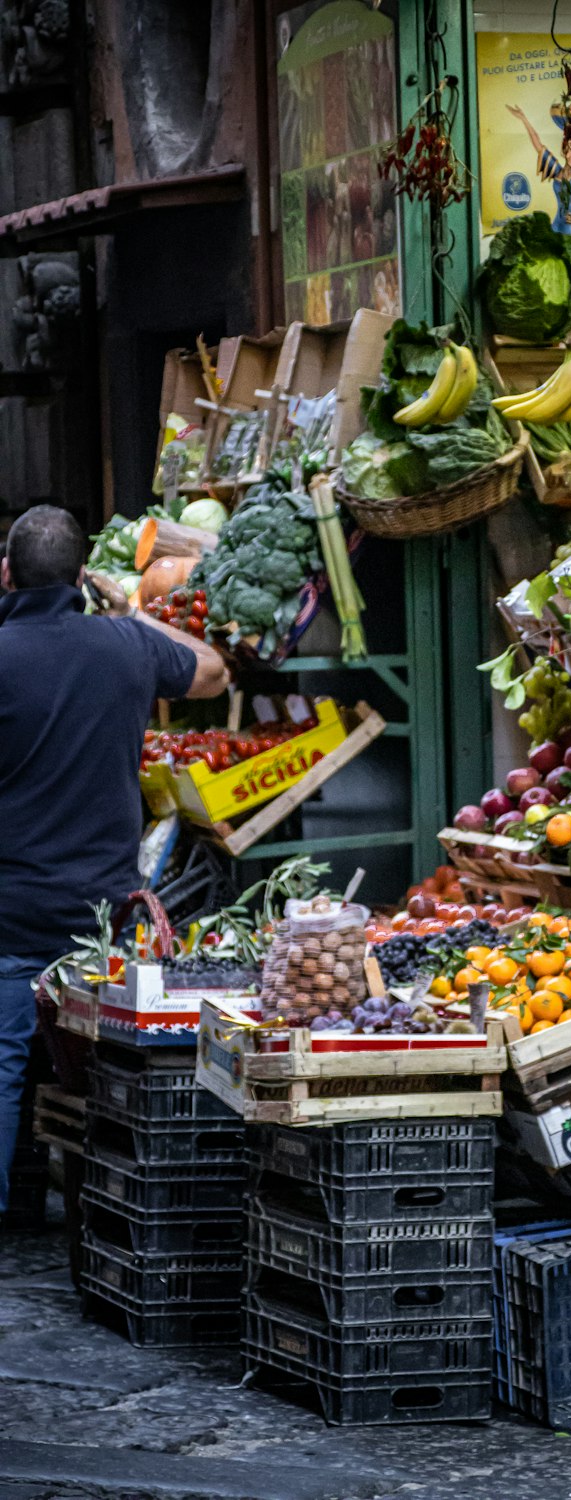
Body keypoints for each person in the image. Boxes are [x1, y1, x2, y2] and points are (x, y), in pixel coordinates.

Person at [0, 505, 230, 1221]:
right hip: (102, 919)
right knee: (112, 1068)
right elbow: (214, 671)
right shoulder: (127, 644)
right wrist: (129, 609)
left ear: (6, 574)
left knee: (2, 1073)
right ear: (79, 577)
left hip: (9, 915)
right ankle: (113, 1221)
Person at [506, 102, 571, 234]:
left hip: (568, 228)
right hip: (556, 225)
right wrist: (524, 119)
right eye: (565, 144)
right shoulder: (557, 170)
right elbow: (538, 144)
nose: (567, 148)